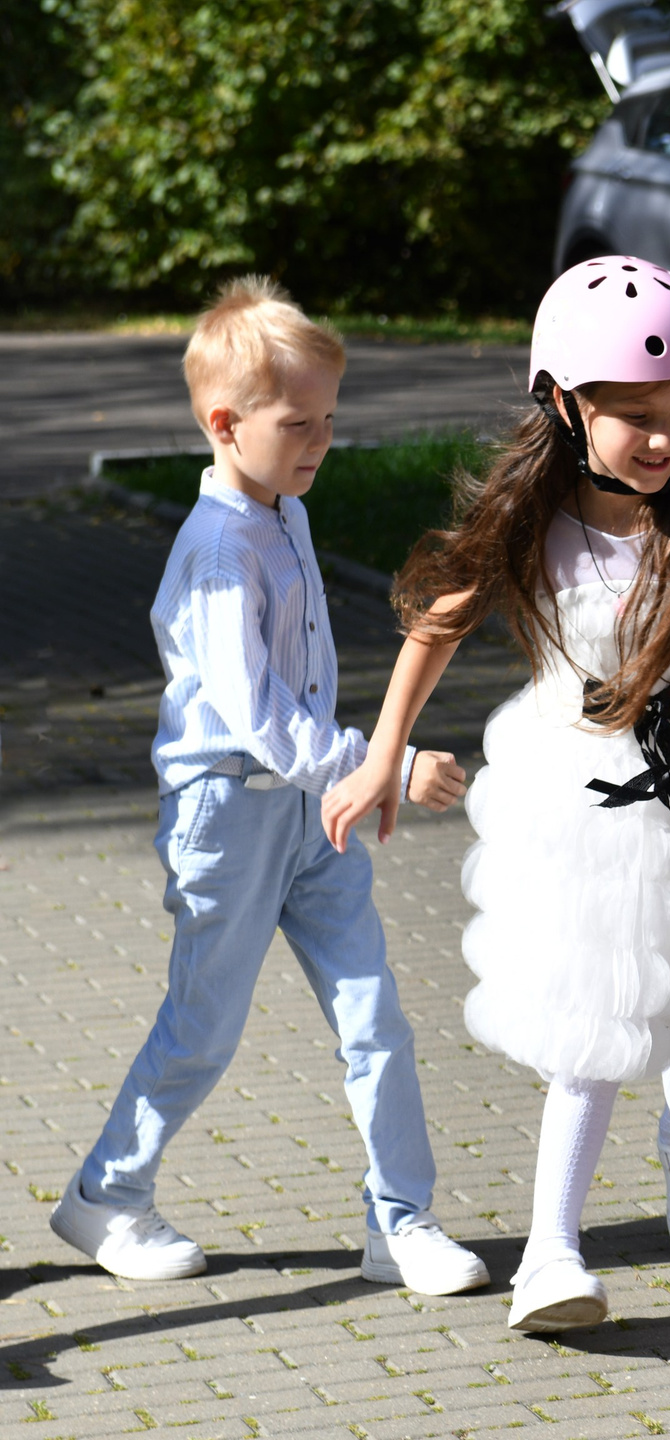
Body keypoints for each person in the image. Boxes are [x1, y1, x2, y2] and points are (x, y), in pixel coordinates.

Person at [321, 258, 670, 1333]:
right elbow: (432, 629)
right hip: (586, 807)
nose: (666, 436)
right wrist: (384, 750)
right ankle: (551, 1254)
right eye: (636, 417)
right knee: (599, 1016)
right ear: (567, 407)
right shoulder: (533, 528)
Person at [48, 277, 486, 1297]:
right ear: (223, 423)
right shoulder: (217, 549)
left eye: (330, 420)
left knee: (375, 1014)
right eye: (299, 424)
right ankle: (106, 1197)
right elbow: (256, 714)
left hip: (305, 813)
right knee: (203, 1028)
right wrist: (378, 763)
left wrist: (341, 774)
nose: (320, 442)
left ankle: (401, 1222)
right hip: (228, 816)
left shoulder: (280, 510)